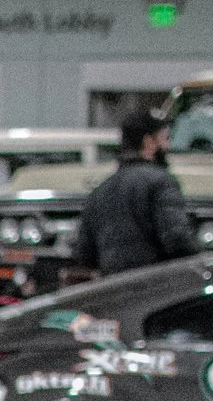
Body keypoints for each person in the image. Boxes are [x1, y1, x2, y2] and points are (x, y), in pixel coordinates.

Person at [73, 109, 195, 279]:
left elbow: (84, 253)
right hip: (155, 285)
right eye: (165, 138)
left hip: (113, 287)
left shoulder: (101, 190)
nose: (168, 146)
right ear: (149, 142)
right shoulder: (161, 182)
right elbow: (177, 240)